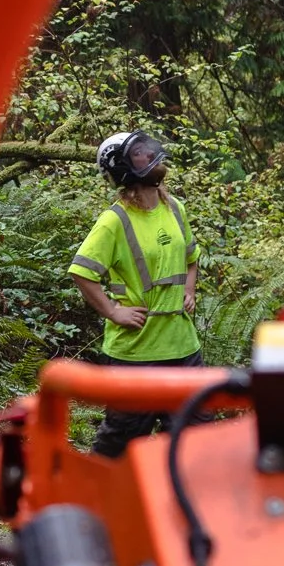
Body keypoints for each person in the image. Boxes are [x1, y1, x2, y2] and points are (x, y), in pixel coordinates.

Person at [68, 130, 201, 459]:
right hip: (135, 354)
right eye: (139, 155)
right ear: (125, 168)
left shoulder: (175, 208)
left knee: (195, 439)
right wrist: (113, 311)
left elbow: (191, 257)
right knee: (120, 445)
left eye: (148, 150)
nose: (150, 157)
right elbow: (81, 273)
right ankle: (91, 504)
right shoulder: (114, 221)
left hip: (183, 348)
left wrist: (188, 289)